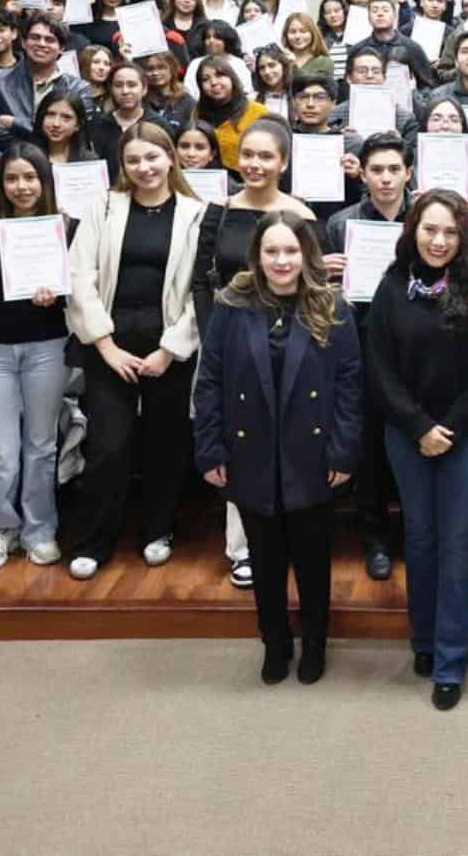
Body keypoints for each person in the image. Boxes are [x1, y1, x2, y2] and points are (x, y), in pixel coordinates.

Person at [194, 210, 362, 686]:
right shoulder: (231, 304)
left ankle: (314, 643)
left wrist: (344, 452)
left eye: (291, 251)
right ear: (257, 255)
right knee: (265, 563)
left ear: (307, 254)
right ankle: (275, 642)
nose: (282, 260)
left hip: (312, 456)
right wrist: (210, 450)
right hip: (249, 453)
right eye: (272, 251)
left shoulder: (332, 305)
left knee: (312, 562)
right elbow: (210, 381)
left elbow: (351, 386)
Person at [363, 190, 468, 710]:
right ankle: (423, 639)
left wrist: (449, 427)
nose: (439, 240)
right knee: (420, 539)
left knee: (459, 542)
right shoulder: (391, 288)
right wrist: (419, 426)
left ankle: (450, 660)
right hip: (407, 436)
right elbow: (378, 366)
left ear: (464, 236)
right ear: (413, 231)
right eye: (430, 230)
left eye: (450, 232)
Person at [62, 122, 206, 579]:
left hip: (169, 349)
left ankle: (157, 530)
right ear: (121, 166)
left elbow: (201, 292)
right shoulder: (103, 207)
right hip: (110, 346)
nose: (144, 167)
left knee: (166, 444)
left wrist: (170, 350)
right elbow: (79, 278)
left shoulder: (198, 213)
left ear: (171, 158)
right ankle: (94, 540)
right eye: (133, 160)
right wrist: (105, 346)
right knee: (108, 445)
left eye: (152, 157)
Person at [191, 119, 315, 588]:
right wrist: (213, 339)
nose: (255, 164)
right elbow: (202, 280)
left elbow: (311, 285)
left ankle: (284, 538)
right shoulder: (217, 212)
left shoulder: (302, 215)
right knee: (239, 440)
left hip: (288, 347)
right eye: (248, 155)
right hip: (231, 344)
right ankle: (242, 548)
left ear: (283, 163)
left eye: (266, 156)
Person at [0, 143, 72, 572]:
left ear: (44, 181)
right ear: (0, 183)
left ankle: (40, 529)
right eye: (12, 178)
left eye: (30, 177)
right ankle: (1, 527)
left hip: (46, 347)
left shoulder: (66, 226)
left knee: (41, 445)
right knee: (0, 449)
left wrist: (57, 296)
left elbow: (77, 292)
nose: (22, 186)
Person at [323, 132, 414, 578]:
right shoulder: (342, 225)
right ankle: (375, 538)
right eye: (376, 169)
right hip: (360, 345)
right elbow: (321, 298)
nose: (385, 178)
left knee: (416, 444)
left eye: (394, 169)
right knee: (371, 450)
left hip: (417, 348)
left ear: (408, 173)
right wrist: (325, 274)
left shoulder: (426, 219)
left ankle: (417, 536)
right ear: (363, 173)